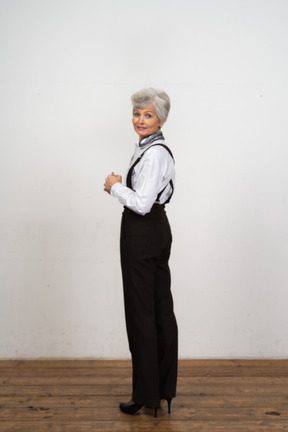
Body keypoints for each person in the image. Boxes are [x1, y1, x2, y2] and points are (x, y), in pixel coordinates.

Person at [104, 87, 178, 417]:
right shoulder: (149, 149)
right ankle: (159, 391)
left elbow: (142, 204)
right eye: (136, 113)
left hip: (143, 231)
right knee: (159, 308)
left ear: (161, 119)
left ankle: (146, 394)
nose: (140, 120)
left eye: (148, 115)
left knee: (142, 313)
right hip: (156, 231)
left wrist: (114, 186)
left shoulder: (155, 153)